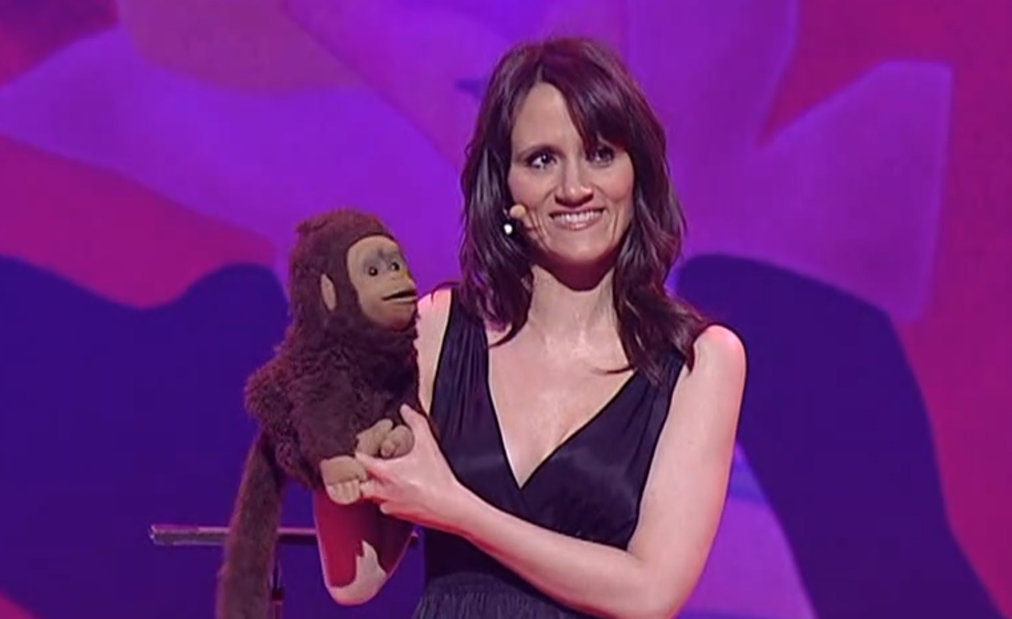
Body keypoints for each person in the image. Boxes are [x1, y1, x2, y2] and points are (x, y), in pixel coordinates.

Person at [311, 36, 746, 619]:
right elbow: (354, 581)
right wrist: (328, 409)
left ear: (636, 172)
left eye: (600, 154)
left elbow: (649, 594)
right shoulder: (438, 331)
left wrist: (459, 510)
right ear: (505, 187)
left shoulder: (700, 361)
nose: (574, 188)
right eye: (542, 160)